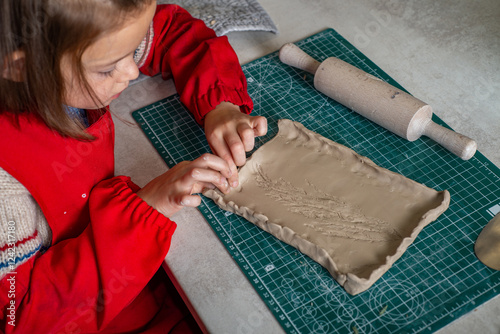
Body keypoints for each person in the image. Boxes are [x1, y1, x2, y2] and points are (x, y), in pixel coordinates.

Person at [0, 0, 267, 332]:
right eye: (107, 68)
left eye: (132, 52)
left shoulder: (84, 44)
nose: (131, 71)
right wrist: (143, 211)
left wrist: (220, 102)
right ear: (20, 67)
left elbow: (172, 31)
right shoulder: (6, 191)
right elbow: (21, 318)